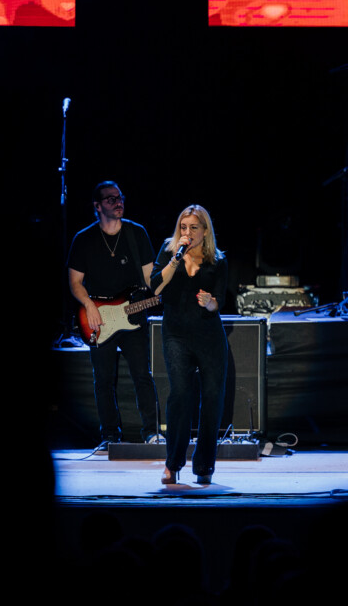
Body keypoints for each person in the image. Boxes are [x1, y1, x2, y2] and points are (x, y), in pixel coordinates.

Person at [68, 181, 160, 448]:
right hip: (98, 318)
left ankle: (151, 433)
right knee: (104, 380)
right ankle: (109, 435)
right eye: (111, 199)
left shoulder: (136, 233)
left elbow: (150, 278)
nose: (118, 202)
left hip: (133, 314)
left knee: (142, 375)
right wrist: (89, 306)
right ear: (97, 206)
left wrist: (166, 290)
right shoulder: (83, 239)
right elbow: (75, 282)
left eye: (120, 197)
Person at [151, 205, 229, 486]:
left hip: (209, 336)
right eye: (183, 227)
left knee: (212, 398)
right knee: (180, 395)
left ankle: (205, 465)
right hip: (176, 334)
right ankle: (172, 464)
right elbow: (155, 288)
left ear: (205, 231)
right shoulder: (168, 251)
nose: (187, 232)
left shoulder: (217, 260)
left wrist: (210, 303)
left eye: (193, 228)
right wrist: (175, 260)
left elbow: (219, 301)